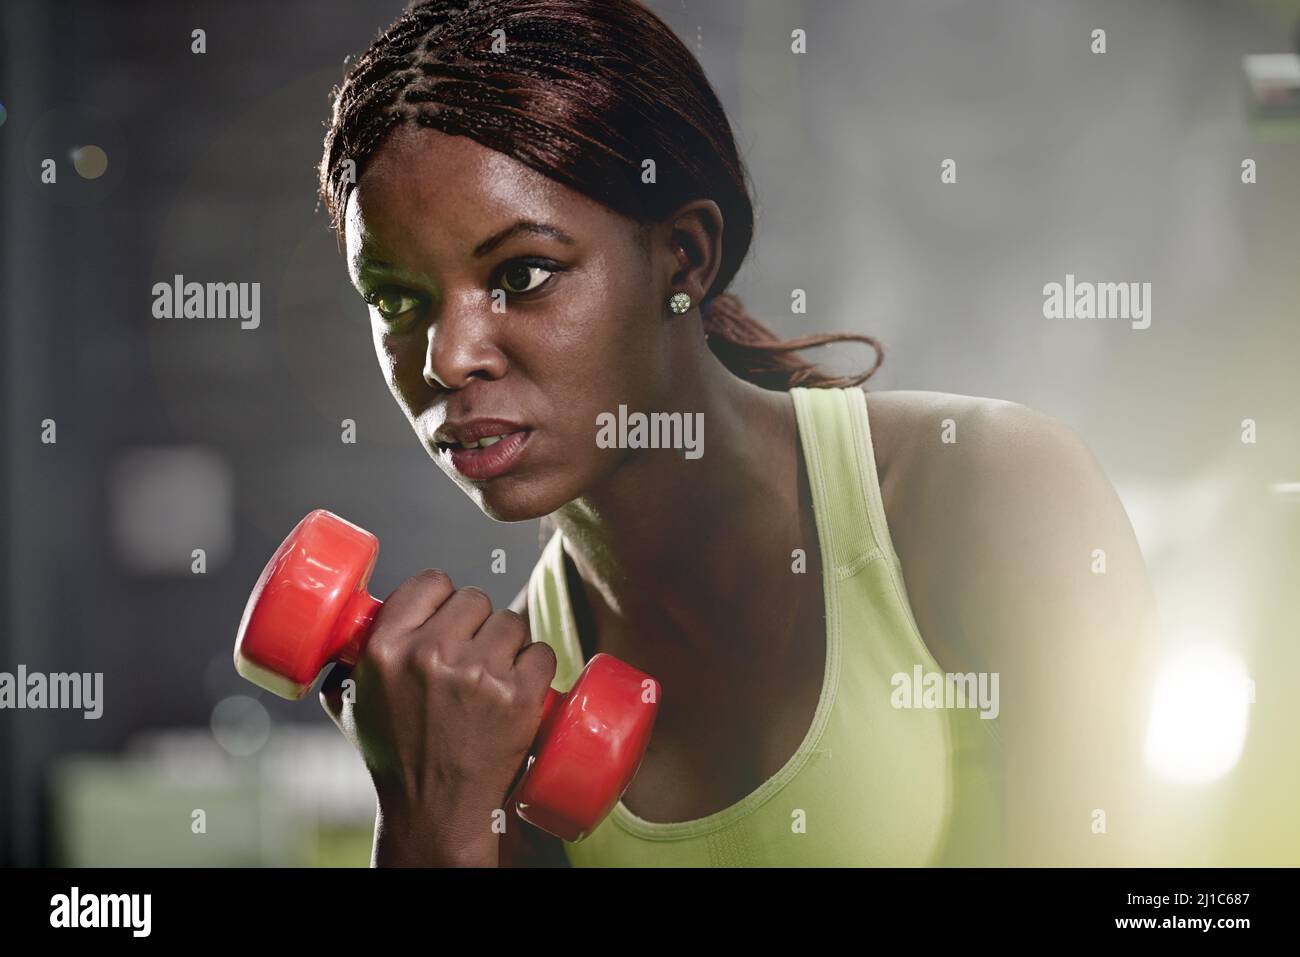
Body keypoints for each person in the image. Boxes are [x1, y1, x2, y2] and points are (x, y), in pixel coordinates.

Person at [315, 0, 1160, 867]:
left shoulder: (990, 492)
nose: (448, 357)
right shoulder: (487, 717)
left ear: (683, 258)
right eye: (396, 299)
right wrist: (431, 823)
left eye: (522, 273)